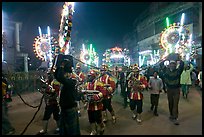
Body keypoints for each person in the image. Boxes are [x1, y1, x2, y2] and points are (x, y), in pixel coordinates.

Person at [54, 59, 81, 135]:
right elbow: (58, 76)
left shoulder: (72, 82)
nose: (64, 74)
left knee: (72, 132)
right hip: (65, 108)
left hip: (70, 109)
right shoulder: (68, 81)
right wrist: (59, 67)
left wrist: (62, 66)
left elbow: (60, 77)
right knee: (65, 131)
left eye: (65, 73)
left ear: (69, 74)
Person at [83, 69, 107, 135]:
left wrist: (96, 97)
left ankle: (102, 127)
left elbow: (103, 92)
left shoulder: (99, 83)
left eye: (89, 76)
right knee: (91, 119)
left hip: (97, 105)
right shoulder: (86, 84)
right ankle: (93, 131)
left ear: (93, 76)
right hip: (89, 105)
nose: (88, 77)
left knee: (98, 119)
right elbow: (84, 93)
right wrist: (85, 100)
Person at [161, 59, 184, 125]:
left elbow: (182, 65)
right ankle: (171, 114)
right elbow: (161, 64)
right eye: (171, 64)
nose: (172, 65)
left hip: (176, 89)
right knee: (170, 103)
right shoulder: (166, 70)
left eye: (174, 64)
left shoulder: (178, 71)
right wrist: (166, 59)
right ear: (169, 65)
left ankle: (175, 118)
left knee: (175, 104)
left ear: (175, 65)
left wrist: (179, 59)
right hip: (169, 89)